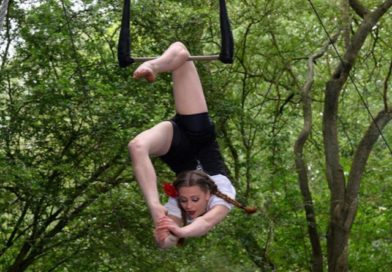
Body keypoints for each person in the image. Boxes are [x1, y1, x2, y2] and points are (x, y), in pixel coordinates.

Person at [128, 42, 255, 249]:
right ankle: (154, 66)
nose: (188, 205)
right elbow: (205, 223)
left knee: (136, 146)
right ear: (207, 195)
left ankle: (153, 205)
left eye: (187, 200)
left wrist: (165, 236)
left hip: (174, 147)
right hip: (199, 134)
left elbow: (166, 244)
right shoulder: (223, 195)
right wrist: (182, 231)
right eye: (193, 199)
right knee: (181, 53)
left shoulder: (178, 205)